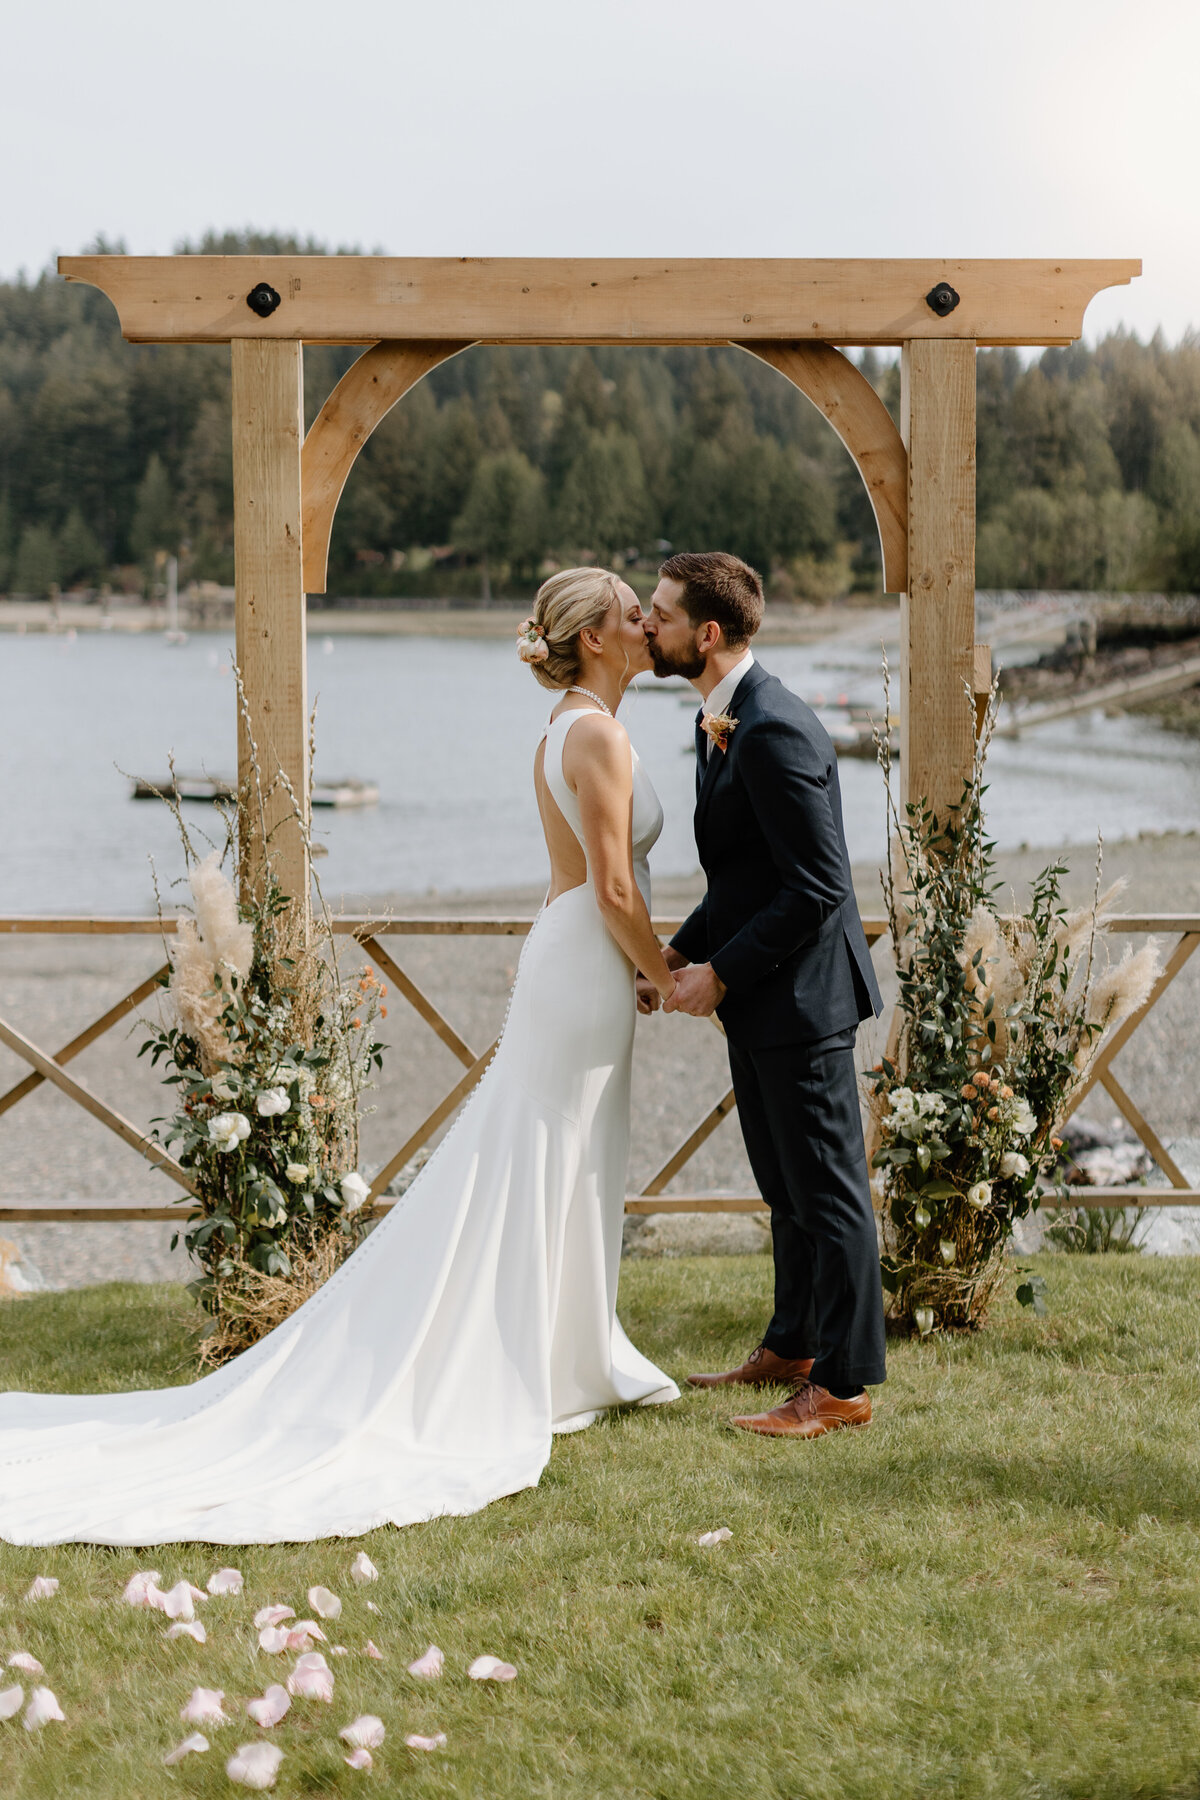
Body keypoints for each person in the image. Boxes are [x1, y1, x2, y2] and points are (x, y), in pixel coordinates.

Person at [0, 568, 678, 1546]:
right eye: (628, 612)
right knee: (543, 1152)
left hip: (573, 955)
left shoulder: (571, 729)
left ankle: (576, 1351)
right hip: (589, 956)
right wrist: (657, 970)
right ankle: (548, 1361)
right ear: (598, 639)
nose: (643, 622)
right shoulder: (598, 735)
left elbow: (584, 882)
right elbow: (613, 885)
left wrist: (624, 963)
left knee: (566, 1153)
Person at [642, 551, 887, 1439]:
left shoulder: (774, 728)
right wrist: (681, 946)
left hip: (803, 1003)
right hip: (764, 1002)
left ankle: (845, 1388)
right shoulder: (723, 716)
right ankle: (792, 1345)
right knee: (785, 1188)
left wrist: (721, 973)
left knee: (830, 1194)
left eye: (660, 615)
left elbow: (816, 886)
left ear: (706, 634)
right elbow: (748, 878)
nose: (646, 627)